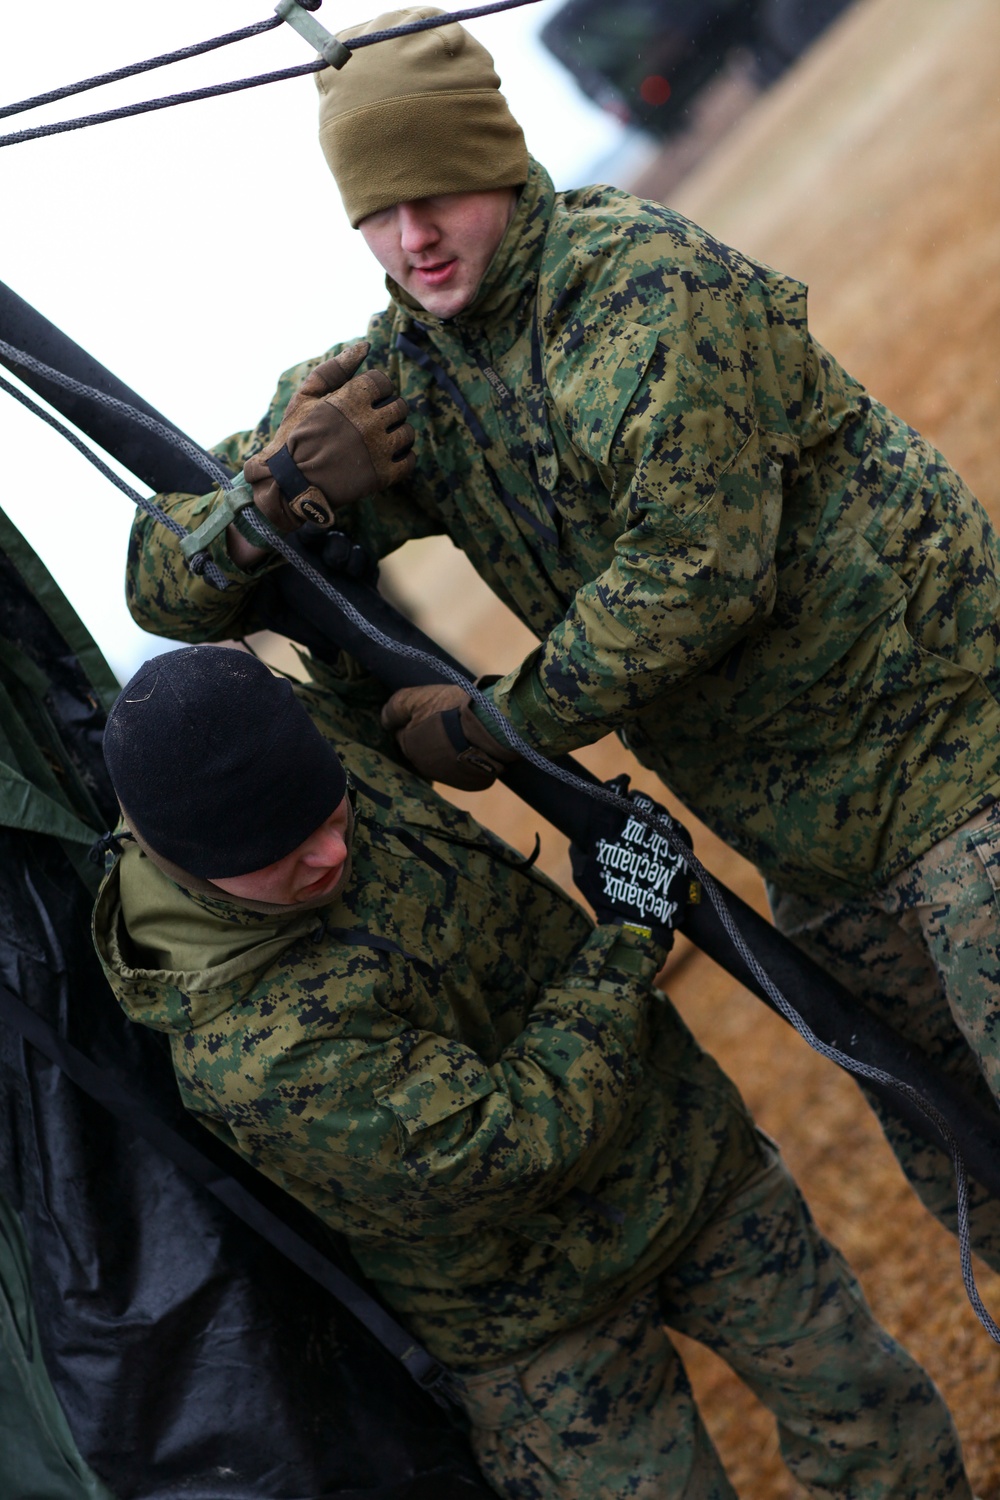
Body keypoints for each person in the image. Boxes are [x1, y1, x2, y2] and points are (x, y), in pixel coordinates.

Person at [123, 9, 1000, 1270]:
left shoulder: (645, 285)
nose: (411, 239)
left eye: (435, 194)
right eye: (377, 211)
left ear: (498, 162)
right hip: (813, 853)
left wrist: (498, 726)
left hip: (958, 765)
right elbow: (168, 591)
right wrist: (270, 500)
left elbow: (696, 575)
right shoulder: (393, 381)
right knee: (963, 1162)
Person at [92, 641, 972, 1500]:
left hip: (684, 1165)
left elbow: (368, 697)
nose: (329, 855)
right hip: (540, 1329)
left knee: (874, 1417)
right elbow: (510, 1146)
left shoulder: (296, 741)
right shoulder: (250, 1051)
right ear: (190, 863)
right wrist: (626, 941)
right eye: (278, 857)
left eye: (331, 813)